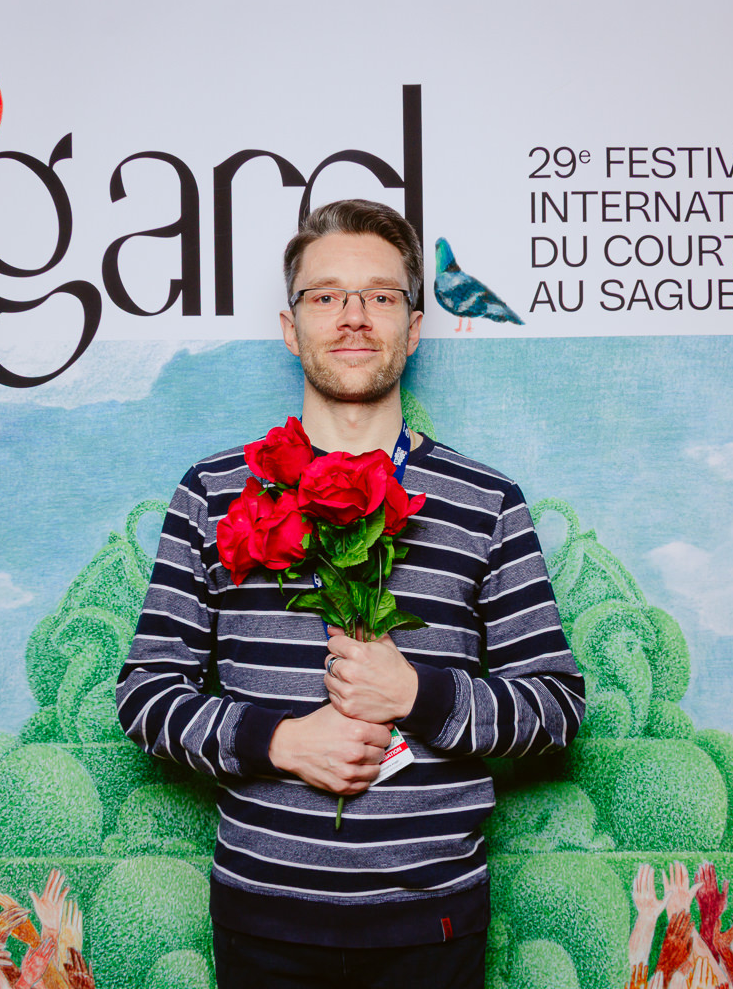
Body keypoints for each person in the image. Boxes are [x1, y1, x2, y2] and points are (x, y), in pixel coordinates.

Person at [116, 198, 584, 988]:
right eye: (326, 295)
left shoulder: (487, 502)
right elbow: (145, 695)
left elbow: (557, 707)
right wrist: (280, 742)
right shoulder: (212, 494)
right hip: (263, 919)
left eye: (381, 295)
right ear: (290, 326)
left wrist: (417, 694)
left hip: (432, 923)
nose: (355, 316)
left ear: (415, 325)